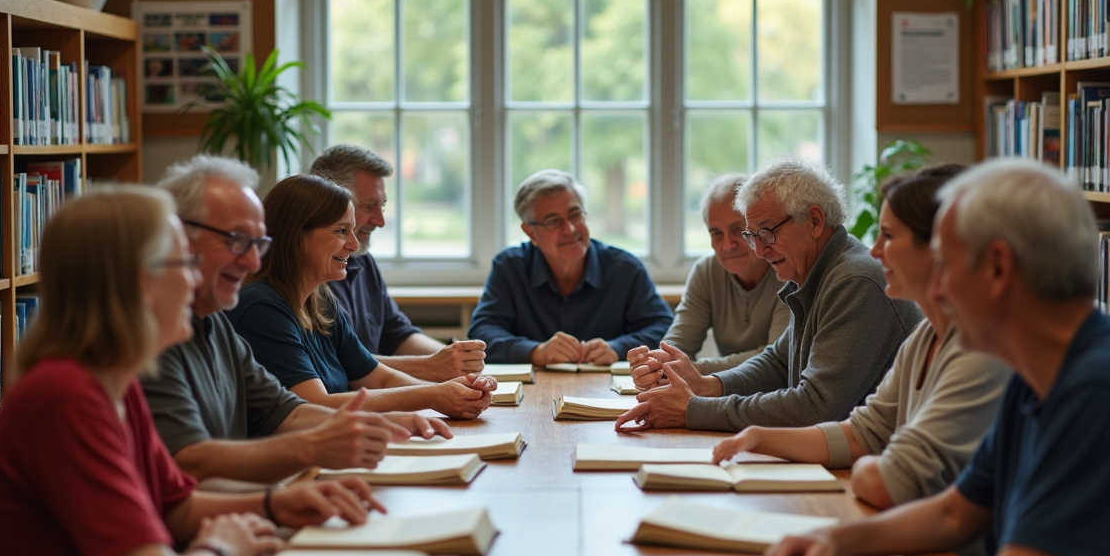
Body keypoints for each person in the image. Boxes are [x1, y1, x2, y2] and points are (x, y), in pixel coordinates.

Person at [735, 159, 1110, 556]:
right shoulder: (1039, 369)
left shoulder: (1106, 387)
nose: (935, 289)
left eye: (944, 263)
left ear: (997, 268)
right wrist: (832, 539)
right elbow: (955, 513)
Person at [0, 187, 381, 556]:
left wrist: (275, 504)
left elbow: (176, 506)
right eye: (181, 264)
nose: (193, 281)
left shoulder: (112, 383)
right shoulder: (65, 399)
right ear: (137, 284)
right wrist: (225, 549)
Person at [712, 164, 1010, 509]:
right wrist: (756, 436)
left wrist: (871, 463)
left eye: (889, 236)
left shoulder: (979, 349)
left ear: (938, 249)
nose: (876, 250)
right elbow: (863, 433)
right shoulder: (926, 337)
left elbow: (891, 477)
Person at [143, 155, 448, 485]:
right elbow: (190, 463)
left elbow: (289, 410)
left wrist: (375, 425)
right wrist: (297, 471)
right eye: (237, 240)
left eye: (258, 244)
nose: (251, 262)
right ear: (178, 238)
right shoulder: (156, 337)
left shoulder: (215, 323)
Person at [616, 157, 922, 432]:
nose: (760, 251)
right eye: (753, 236)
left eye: (767, 232)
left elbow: (816, 406)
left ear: (814, 221)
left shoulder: (854, 279)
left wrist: (694, 409)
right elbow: (777, 363)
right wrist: (707, 385)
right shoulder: (819, 270)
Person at [228, 175, 496, 418]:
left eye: (353, 231)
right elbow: (314, 405)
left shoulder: (321, 301)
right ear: (297, 236)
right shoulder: (261, 307)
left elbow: (379, 379)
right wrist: (432, 396)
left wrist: (455, 391)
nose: (354, 245)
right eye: (340, 231)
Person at [308, 144, 487, 382]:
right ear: (329, 203)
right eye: (369, 206)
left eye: (381, 206)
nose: (380, 221)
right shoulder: (308, 276)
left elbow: (397, 333)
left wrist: (454, 358)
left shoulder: (363, 261)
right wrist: (431, 367)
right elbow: (339, 362)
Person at [468, 169, 673, 364]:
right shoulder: (510, 267)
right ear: (530, 232)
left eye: (575, 215)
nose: (570, 229)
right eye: (553, 221)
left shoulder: (625, 268)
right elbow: (482, 333)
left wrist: (617, 348)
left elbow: (665, 329)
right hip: (533, 391)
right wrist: (535, 351)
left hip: (609, 393)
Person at [630, 174, 790, 386]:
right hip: (726, 394)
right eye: (716, 234)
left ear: (757, 228)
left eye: (737, 230)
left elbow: (778, 357)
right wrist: (657, 363)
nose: (727, 245)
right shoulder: (707, 270)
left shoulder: (787, 270)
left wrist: (699, 369)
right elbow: (679, 341)